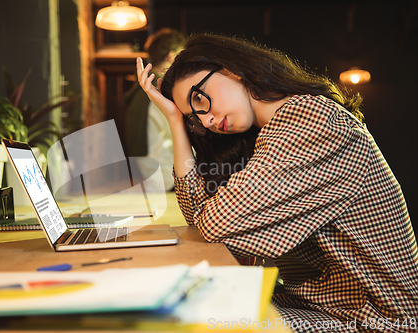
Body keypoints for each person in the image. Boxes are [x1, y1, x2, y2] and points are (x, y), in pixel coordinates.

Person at [136, 33, 418, 332]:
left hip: (377, 319)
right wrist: (176, 122)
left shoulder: (310, 119)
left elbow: (214, 226)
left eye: (198, 99)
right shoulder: (268, 135)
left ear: (231, 68)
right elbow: (197, 220)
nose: (205, 122)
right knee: (174, 314)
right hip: (318, 304)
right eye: (194, 118)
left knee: (187, 324)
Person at [125, 28, 186, 192]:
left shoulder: (140, 90)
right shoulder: (159, 91)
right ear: (171, 56)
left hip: (147, 174)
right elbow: (180, 135)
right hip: (167, 177)